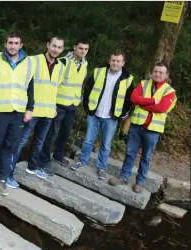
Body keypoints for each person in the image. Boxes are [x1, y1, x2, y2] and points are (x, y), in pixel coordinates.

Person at [7, 36, 66, 188]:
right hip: (32, 111)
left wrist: (54, 107)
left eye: (59, 47)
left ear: (63, 49)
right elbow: (26, 85)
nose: (56, 49)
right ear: (48, 45)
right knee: (20, 141)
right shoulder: (34, 60)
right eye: (54, 46)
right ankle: (7, 173)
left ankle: (32, 167)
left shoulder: (61, 66)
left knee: (40, 142)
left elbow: (55, 88)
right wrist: (28, 107)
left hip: (48, 112)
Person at [109, 63, 177, 193]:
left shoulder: (169, 91)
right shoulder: (143, 83)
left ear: (166, 75)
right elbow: (134, 98)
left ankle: (140, 182)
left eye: (161, 72)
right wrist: (152, 101)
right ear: (152, 72)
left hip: (153, 130)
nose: (157, 74)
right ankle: (123, 177)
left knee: (146, 157)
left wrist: (143, 103)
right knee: (130, 153)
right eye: (155, 71)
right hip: (136, 126)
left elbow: (162, 108)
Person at [0, 31, 35, 196]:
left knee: (10, 146)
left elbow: (31, 87)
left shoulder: (29, 63)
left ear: (21, 45)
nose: (13, 46)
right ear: (5, 44)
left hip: (18, 112)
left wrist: (30, 108)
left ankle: (2, 178)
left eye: (16, 43)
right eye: (10, 43)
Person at [70, 51, 134, 180]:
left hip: (111, 117)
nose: (115, 63)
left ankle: (101, 168)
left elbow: (129, 100)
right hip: (94, 113)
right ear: (109, 60)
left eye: (118, 61)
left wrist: (120, 115)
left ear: (123, 63)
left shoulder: (128, 79)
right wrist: (87, 106)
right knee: (88, 140)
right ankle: (82, 161)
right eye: (113, 60)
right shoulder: (98, 72)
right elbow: (87, 88)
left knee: (105, 145)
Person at [38, 39, 90, 176]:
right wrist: (53, 104)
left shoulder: (85, 64)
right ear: (74, 47)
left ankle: (58, 154)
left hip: (72, 104)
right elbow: (54, 83)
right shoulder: (63, 62)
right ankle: (44, 160)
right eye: (80, 48)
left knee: (65, 132)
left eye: (85, 49)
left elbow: (80, 84)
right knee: (52, 133)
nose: (83, 51)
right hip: (59, 104)